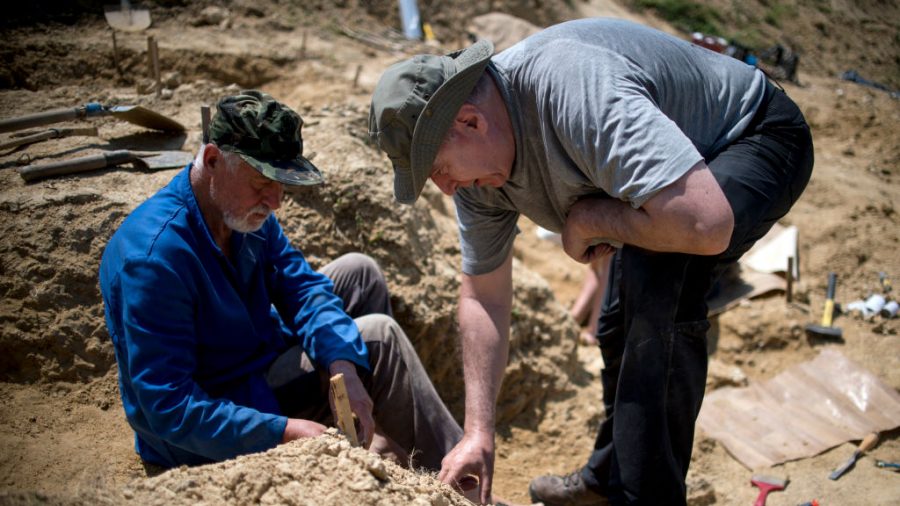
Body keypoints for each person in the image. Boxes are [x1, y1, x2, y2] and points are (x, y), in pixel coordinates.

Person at [368, 18, 813, 505]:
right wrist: (478, 432)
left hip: (752, 134)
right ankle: (608, 478)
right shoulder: (480, 174)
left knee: (658, 281)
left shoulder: (572, 91)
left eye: (439, 170)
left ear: (471, 121)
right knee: (615, 320)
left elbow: (704, 224)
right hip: (667, 192)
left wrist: (589, 218)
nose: (446, 188)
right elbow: (483, 295)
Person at [99, 90, 463, 472]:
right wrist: (285, 431)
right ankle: (464, 482)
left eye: (282, 185)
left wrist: (342, 363)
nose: (275, 202)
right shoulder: (154, 261)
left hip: (253, 353)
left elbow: (301, 287)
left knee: (359, 273)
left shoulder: (238, 212)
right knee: (378, 337)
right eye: (262, 184)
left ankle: (377, 432)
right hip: (218, 419)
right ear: (212, 161)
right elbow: (168, 407)